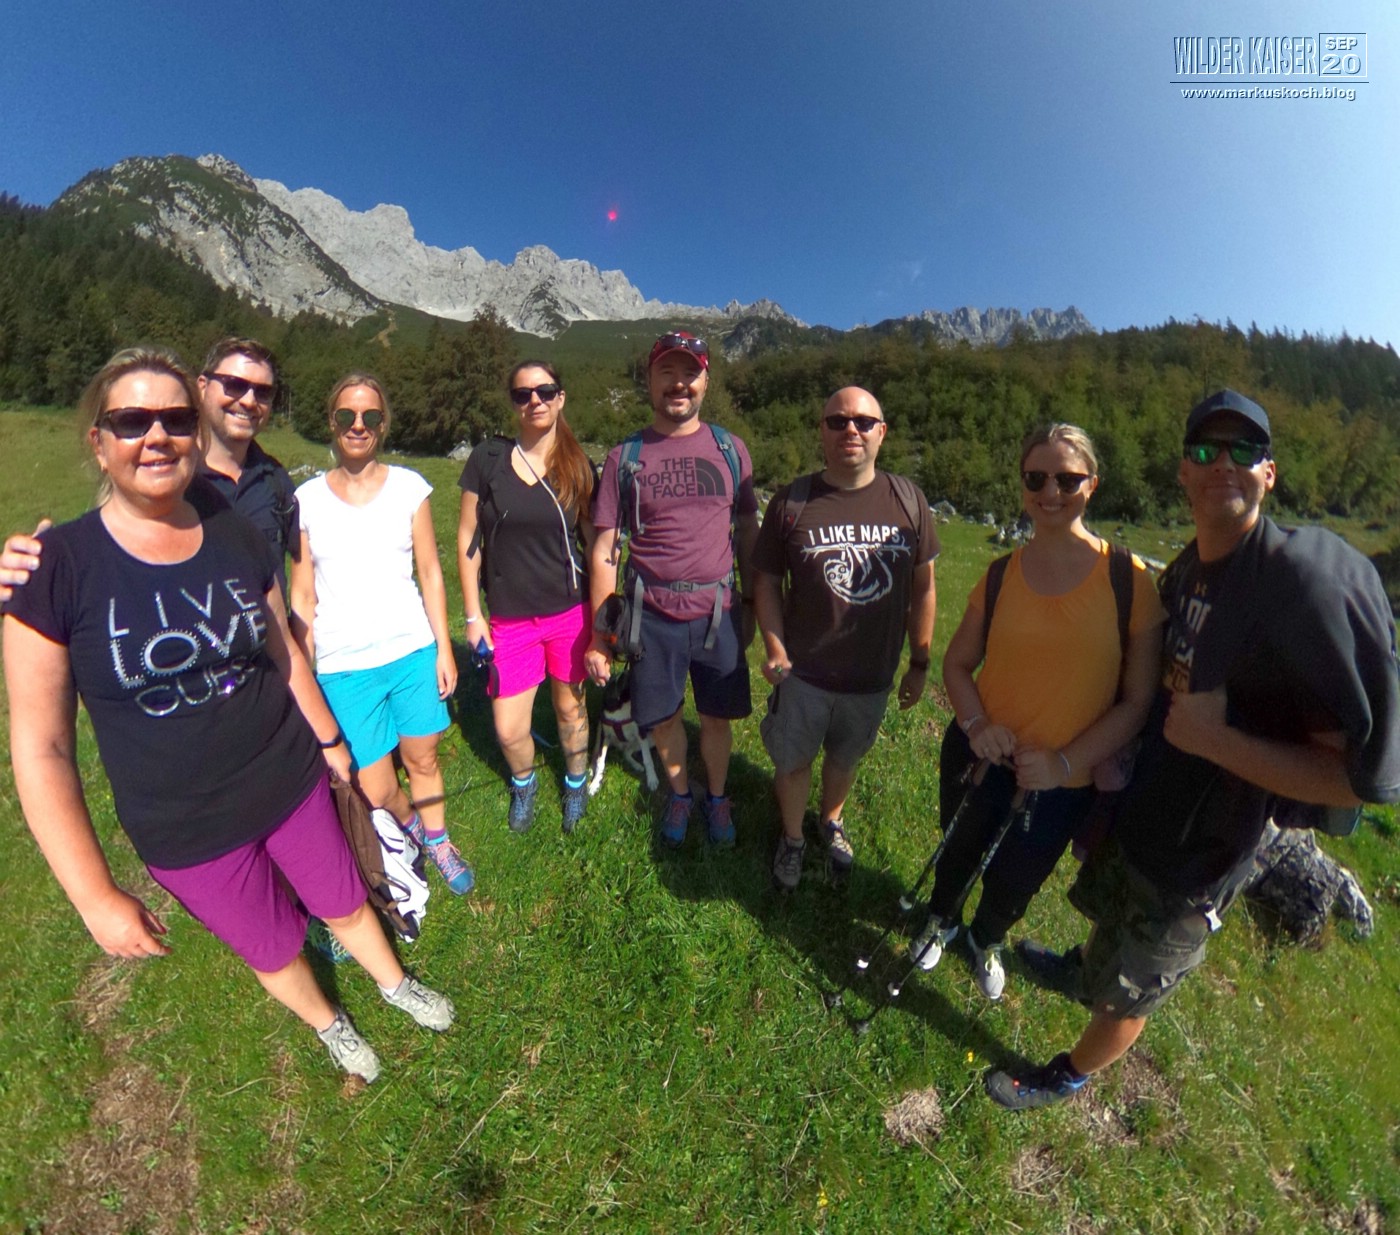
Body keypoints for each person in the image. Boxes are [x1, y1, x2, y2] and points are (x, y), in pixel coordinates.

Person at [3, 348, 453, 1085]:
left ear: (195, 430)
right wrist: (94, 897)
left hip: (288, 777)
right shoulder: (53, 568)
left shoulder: (235, 533)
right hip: (186, 829)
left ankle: (395, 983)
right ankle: (330, 1024)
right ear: (98, 441)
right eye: (132, 420)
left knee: (343, 898)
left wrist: (331, 742)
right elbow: (42, 748)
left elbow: (283, 651)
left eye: (175, 418)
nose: (157, 435)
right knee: (272, 946)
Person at [986, 390, 1400, 1110]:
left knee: (1135, 987)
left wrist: (1218, 741)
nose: (1223, 464)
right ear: (1184, 470)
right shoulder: (1194, 566)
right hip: (1144, 810)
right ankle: (1082, 970)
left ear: (1270, 472)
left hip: (1202, 853)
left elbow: (1351, 780)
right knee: (1115, 925)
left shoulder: (1296, 587)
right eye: (1206, 450)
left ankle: (1066, 1074)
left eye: (1246, 450)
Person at [910, 424, 1164, 999]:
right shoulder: (1000, 573)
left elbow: (1138, 703)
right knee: (957, 850)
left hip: (1064, 778)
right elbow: (958, 665)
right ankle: (941, 921)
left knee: (1019, 878)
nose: (1051, 491)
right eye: (1036, 478)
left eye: (1067, 479)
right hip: (981, 754)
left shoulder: (1130, 582)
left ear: (1092, 484)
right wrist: (978, 727)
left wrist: (1062, 764)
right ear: (1023, 486)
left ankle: (986, 938)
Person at [289, 373, 473, 896]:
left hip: (410, 650)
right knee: (375, 787)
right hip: (343, 666)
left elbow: (430, 572)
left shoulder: (410, 488)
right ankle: (410, 829)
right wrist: (304, 676)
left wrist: (443, 649)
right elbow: (302, 595)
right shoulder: (305, 501)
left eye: (370, 416)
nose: (358, 425)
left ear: (383, 424)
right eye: (347, 415)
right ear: (332, 422)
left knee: (423, 759)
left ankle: (438, 840)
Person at [752, 387, 939, 891]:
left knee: (844, 758)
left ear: (882, 432)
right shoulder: (793, 501)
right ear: (822, 431)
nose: (850, 430)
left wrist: (919, 663)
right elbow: (766, 581)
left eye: (863, 421)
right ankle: (793, 837)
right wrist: (774, 646)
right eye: (837, 421)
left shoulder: (909, 501)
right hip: (803, 675)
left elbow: (924, 588)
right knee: (793, 762)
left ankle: (830, 818)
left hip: (872, 676)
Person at [584, 331, 759, 847]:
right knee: (662, 718)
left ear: (705, 381)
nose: (679, 384)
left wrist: (752, 604)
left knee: (717, 718)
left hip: (717, 613)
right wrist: (599, 636)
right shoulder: (625, 456)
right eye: (667, 372)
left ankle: (718, 797)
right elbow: (605, 550)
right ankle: (681, 794)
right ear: (650, 380)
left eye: (690, 373)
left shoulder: (731, 450)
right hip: (652, 615)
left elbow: (748, 532)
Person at [0, 335, 298, 601]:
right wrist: (39, 572)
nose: (249, 401)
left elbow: (305, 575)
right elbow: (105, 547)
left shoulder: (277, 481)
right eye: (235, 385)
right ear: (203, 387)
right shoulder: (161, 474)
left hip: (262, 640)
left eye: (263, 392)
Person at [457, 360, 595, 833]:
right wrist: (472, 615)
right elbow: (467, 537)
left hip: (570, 612)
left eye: (545, 391)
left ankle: (574, 784)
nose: (535, 400)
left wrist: (605, 615)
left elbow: (597, 544)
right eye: (523, 394)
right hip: (511, 619)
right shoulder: (488, 459)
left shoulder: (578, 466)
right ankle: (524, 782)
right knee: (508, 728)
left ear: (560, 398)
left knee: (570, 709)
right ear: (513, 403)